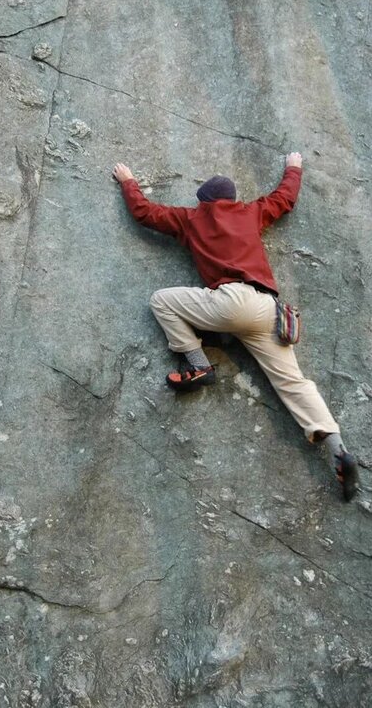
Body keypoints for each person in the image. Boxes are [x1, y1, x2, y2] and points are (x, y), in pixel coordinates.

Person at [113, 153, 359, 501]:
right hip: (267, 310)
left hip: (229, 302)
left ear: (204, 202)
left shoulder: (192, 219)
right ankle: (339, 450)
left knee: (161, 300)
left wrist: (128, 181)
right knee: (293, 383)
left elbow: (145, 213)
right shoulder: (251, 212)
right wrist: (294, 167)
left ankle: (197, 365)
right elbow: (284, 198)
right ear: (231, 200)